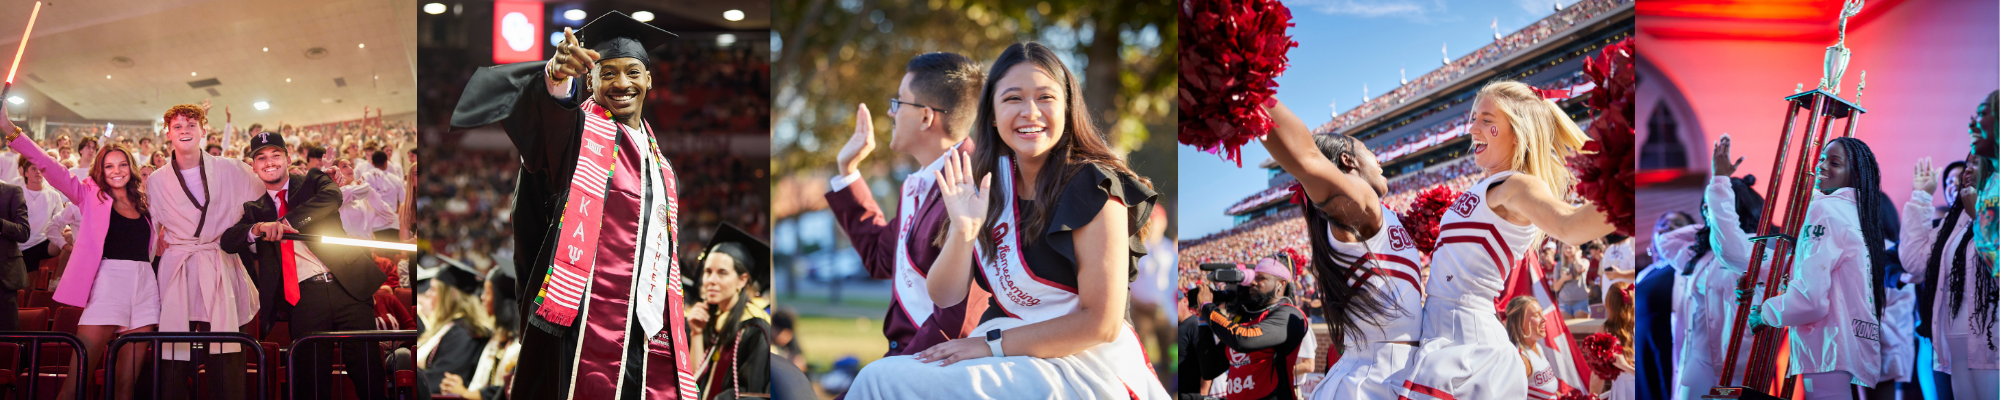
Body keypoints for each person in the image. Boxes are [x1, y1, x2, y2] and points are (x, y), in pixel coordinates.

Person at [843, 42, 1168, 399]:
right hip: (1010, 356)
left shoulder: (1094, 185)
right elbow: (945, 295)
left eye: (1045, 97)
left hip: (1085, 364)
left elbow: (1101, 325)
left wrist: (990, 346)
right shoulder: (988, 182)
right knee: (878, 376)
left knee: (880, 381)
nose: (1031, 112)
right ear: (993, 115)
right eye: (1013, 98)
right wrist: (963, 233)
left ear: (1068, 107)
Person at [449, 11, 697, 400]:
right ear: (591, 80)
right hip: (580, 329)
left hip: (647, 335)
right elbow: (551, 121)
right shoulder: (578, 137)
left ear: (649, 79)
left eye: (633, 72)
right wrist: (556, 76)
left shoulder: (662, 166)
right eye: (607, 73)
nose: (621, 83)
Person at [1397, 80, 1614, 400]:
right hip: (1440, 335)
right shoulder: (1486, 186)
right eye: (1473, 119)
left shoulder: (1518, 186)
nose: (1473, 129)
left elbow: (1570, 225)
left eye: (1487, 121)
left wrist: (1625, 187)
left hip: (1469, 347)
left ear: (1518, 131)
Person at [826, 51, 990, 358]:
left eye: (899, 102)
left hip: (932, 363)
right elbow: (880, 257)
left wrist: (902, 366)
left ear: (926, 116)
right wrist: (847, 172)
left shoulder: (975, 186)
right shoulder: (919, 183)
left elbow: (963, 311)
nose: (892, 113)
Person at [1255, 98, 1421, 400]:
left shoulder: (1380, 215)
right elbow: (1307, 160)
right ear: (1348, 161)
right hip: (1373, 383)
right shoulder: (1364, 203)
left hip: (1385, 373)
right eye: (1370, 152)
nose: (1379, 159)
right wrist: (1250, 92)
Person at [220, 131, 390, 400]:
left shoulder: (312, 179)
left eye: (276, 155)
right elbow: (229, 240)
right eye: (261, 157)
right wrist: (259, 227)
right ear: (253, 166)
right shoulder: (253, 207)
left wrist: (286, 224)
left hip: (348, 287)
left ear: (287, 158)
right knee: (311, 382)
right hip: (303, 298)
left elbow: (332, 197)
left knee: (369, 374)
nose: (269, 162)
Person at [1, 110, 155, 400]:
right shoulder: (89, 195)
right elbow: (49, 166)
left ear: (131, 167)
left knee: (126, 386)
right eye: (109, 166)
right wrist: (10, 129)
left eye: (122, 164)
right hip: (108, 284)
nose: (117, 170)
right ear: (101, 170)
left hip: (145, 287)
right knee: (77, 381)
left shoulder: (145, 202)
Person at [1746, 136, 1892, 399]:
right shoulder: (1855, 212)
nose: (1822, 166)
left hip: (1827, 341)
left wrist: (1766, 313)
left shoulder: (1825, 209)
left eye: (1834, 162)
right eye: (1822, 158)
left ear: (1855, 174)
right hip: (1845, 339)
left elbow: (1811, 300)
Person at [145, 103, 264, 400]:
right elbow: (146, 234)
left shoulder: (231, 169)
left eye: (191, 125)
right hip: (178, 267)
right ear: (168, 134)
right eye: (178, 127)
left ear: (203, 129)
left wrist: (316, 183)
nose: (185, 131)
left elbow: (271, 191)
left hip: (217, 261)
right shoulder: (155, 180)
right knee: (172, 350)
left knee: (225, 348)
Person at [1901, 152, 1997, 399]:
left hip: (1991, 339)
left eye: (1976, 163)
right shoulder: (1955, 218)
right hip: (1952, 337)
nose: (1967, 170)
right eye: (1967, 163)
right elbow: (1915, 262)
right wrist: (1921, 197)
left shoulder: (1988, 212)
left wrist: (1980, 216)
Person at [1194, 259, 1309, 400]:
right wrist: (1202, 320)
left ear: (1280, 284)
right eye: (1253, 278)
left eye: (1261, 278)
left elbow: (1243, 339)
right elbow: (1209, 369)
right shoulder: (1244, 318)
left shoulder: (1289, 314)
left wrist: (1207, 307)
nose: (1254, 282)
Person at [688, 224, 772, 400]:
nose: (711, 280)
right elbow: (694, 381)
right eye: (708, 272)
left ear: (742, 281)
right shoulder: (709, 319)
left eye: (722, 273)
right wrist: (697, 333)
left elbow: (752, 393)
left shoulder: (755, 327)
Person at [421, 261, 493, 398]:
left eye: (434, 290)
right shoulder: (450, 326)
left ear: (452, 295)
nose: (428, 294)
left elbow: (443, 377)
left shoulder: (465, 333)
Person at [1502, 296, 1559, 400]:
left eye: (1541, 313)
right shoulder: (1521, 359)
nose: (1544, 318)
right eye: (1536, 315)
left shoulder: (1537, 346)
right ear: (1519, 322)